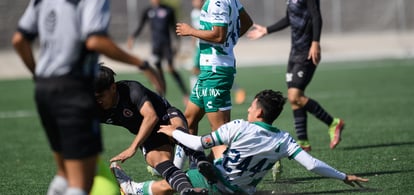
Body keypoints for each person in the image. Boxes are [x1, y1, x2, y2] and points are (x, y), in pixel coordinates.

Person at [11, 0, 163, 195]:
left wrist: (37, 73)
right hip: (73, 90)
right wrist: (140, 63)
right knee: (81, 182)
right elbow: (95, 40)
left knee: (64, 174)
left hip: (45, 89)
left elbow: (19, 40)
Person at [111, 89, 369, 195]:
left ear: (258, 112)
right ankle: (207, 167)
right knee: (220, 150)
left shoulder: (239, 127)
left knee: (167, 186)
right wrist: (343, 176)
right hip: (244, 191)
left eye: (251, 107)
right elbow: (312, 165)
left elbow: (200, 143)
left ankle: (132, 188)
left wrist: (173, 133)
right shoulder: (283, 139)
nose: (247, 110)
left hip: (220, 183)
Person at [247, 0, 344, 152]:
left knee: (294, 96)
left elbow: (317, 17)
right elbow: (289, 19)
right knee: (294, 99)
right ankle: (303, 142)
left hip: (307, 52)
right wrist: (266, 30)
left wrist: (316, 42)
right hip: (294, 53)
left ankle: (333, 123)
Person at [176, 0, 253, 159]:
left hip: (216, 71)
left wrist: (191, 31)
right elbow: (247, 22)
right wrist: (231, 40)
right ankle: (193, 167)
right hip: (209, 71)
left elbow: (218, 35)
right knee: (188, 120)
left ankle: (237, 169)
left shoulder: (217, 0)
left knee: (219, 133)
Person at [95, 65, 209, 195]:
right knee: (158, 161)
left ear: (113, 88)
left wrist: (132, 148)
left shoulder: (131, 89)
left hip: (166, 117)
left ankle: (202, 163)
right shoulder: (94, 107)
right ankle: (187, 190)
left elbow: (151, 116)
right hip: (150, 135)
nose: (98, 101)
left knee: (179, 132)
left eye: (101, 96)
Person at [127, 0, 188, 101]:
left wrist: (177, 43)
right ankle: (162, 96)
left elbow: (174, 27)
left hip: (167, 45)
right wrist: (132, 37)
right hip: (155, 46)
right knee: (159, 71)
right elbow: (141, 26)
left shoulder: (168, 10)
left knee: (170, 68)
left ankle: (185, 94)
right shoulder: (148, 11)